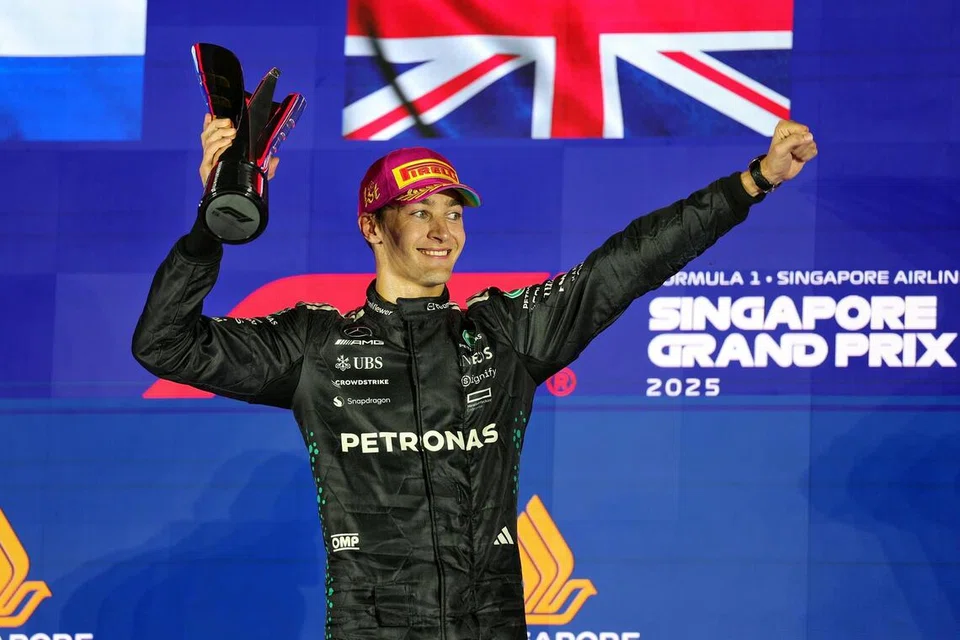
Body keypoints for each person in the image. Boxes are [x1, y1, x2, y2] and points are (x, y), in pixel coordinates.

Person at [132, 113, 817, 640]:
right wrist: (216, 220)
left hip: (491, 624)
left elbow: (627, 263)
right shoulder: (316, 345)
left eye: (453, 213)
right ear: (373, 228)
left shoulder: (504, 332)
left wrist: (751, 183)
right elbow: (164, 344)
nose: (443, 230)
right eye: (420, 212)